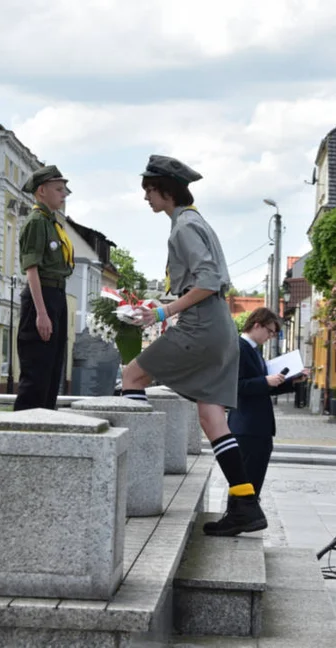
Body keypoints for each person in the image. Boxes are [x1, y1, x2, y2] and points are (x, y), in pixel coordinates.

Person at [120, 155, 267, 537]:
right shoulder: (196, 221)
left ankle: (135, 478)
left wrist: (163, 313)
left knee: (132, 376)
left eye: (149, 191)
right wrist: (162, 308)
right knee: (212, 418)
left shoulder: (183, 227)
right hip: (217, 326)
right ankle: (245, 503)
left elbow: (206, 281)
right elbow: (207, 284)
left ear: (165, 191)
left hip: (201, 326)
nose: (146, 199)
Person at [229, 306, 309, 496]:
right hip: (246, 426)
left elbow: (262, 388)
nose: (270, 337)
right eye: (269, 331)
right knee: (246, 480)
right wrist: (265, 380)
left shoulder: (254, 351)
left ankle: (245, 516)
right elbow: (236, 386)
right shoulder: (239, 348)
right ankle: (238, 516)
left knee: (254, 479)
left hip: (258, 427)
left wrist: (291, 381)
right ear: (257, 325)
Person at [14, 165, 74, 411]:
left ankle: (46, 421)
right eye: (59, 189)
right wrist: (41, 312)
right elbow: (32, 269)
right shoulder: (37, 221)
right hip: (42, 297)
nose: (64, 194)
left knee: (51, 371)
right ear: (41, 191)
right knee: (37, 372)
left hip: (56, 296)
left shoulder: (52, 222)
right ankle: (23, 430)